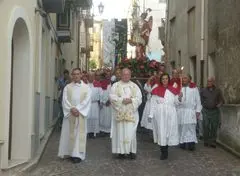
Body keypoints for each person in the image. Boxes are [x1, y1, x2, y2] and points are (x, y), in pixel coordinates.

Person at [58, 68, 92, 163]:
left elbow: (87, 101)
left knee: (78, 134)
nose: (76, 76)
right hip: (70, 114)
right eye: (74, 74)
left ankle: (77, 155)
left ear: (81, 75)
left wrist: (78, 109)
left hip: (80, 114)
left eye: (78, 74)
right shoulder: (67, 87)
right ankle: (69, 152)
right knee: (69, 133)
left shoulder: (87, 88)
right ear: (72, 76)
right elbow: (65, 100)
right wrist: (72, 109)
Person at [110, 68, 142, 159]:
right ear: (121, 75)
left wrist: (131, 100)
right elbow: (112, 97)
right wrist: (122, 101)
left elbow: (139, 99)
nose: (126, 76)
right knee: (120, 132)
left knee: (131, 133)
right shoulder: (115, 86)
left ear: (130, 75)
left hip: (131, 114)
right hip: (120, 113)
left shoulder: (134, 86)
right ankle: (121, 152)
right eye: (124, 74)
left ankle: (131, 151)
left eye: (128, 74)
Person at [149, 73, 180, 160]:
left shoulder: (173, 90)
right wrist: (151, 114)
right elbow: (153, 103)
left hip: (170, 112)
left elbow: (177, 102)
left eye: (166, 79)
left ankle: (167, 146)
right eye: (163, 79)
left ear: (168, 80)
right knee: (161, 131)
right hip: (160, 113)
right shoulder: (156, 89)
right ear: (161, 80)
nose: (165, 80)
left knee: (169, 131)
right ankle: (163, 151)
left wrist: (180, 97)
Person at [177, 73, 202, 151]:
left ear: (189, 79)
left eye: (185, 78)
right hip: (181, 111)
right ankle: (182, 143)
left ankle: (191, 143)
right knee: (181, 127)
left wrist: (198, 111)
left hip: (190, 111)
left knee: (191, 127)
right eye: (183, 78)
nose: (183, 80)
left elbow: (198, 100)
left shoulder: (194, 88)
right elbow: (176, 102)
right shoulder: (179, 88)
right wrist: (179, 98)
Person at [200, 77, 224, 148]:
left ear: (213, 82)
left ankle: (213, 141)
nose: (208, 83)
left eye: (210, 81)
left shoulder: (218, 90)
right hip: (206, 111)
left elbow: (222, 100)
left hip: (214, 111)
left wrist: (219, 104)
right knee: (206, 125)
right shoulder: (203, 90)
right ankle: (206, 141)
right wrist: (203, 105)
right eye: (208, 81)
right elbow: (200, 99)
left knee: (214, 126)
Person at [87, 72, 101, 138]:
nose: (91, 78)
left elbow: (101, 94)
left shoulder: (97, 84)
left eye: (92, 76)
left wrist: (100, 102)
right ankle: (87, 132)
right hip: (87, 104)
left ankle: (94, 132)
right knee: (88, 118)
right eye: (90, 76)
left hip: (95, 104)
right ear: (88, 77)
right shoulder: (85, 85)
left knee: (95, 118)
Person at [99, 69, 112, 134]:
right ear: (105, 76)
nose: (108, 76)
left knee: (109, 117)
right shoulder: (101, 82)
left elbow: (113, 93)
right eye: (107, 75)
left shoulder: (113, 83)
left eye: (109, 75)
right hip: (104, 103)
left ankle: (109, 130)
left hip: (110, 103)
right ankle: (102, 130)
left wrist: (110, 100)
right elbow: (101, 93)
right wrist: (103, 101)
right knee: (103, 117)